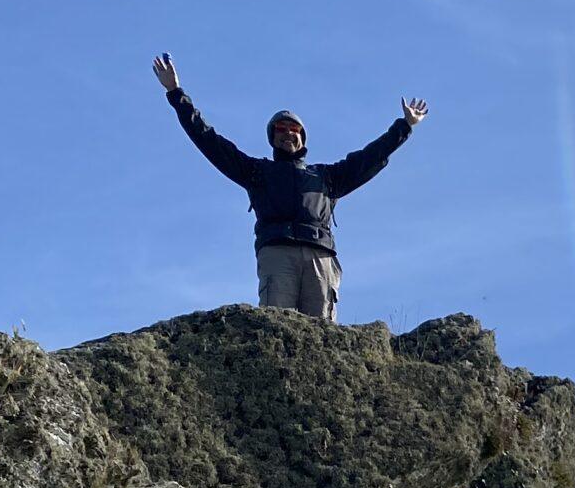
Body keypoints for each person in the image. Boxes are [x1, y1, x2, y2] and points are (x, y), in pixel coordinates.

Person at [152, 53, 427, 324]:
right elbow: (210, 141)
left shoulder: (327, 177)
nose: (288, 132)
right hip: (277, 253)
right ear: (273, 138)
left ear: (302, 136)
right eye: (280, 128)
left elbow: (370, 158)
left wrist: (404, 126)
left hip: (320, 255)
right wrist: (176, 93)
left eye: (293, 128)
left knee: (322, 335)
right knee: (277, 328)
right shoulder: (257, 172)